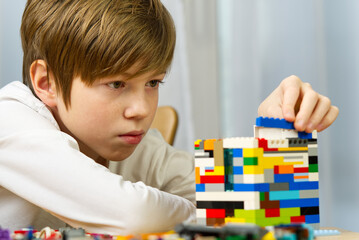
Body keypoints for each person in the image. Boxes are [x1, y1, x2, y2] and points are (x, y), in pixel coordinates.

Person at [0, 0, 338, 236]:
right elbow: (134, 213)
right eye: (116, 83)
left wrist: (276, 134)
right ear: (46, 82)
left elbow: (266, 212)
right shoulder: (10, 122)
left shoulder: (140, 147)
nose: (142, 110)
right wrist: (211, 212)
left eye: (152, 83)